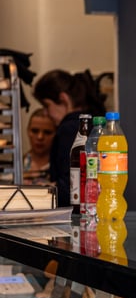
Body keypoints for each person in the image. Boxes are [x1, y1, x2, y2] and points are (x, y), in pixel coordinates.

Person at [33, 69, 105, 206]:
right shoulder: (91, 124)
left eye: (47, 106)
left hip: (75, 214)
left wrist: (44, 189)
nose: (46, 113)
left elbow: (70, 187)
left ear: (63, 99)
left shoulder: (69, 130)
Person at [22, 107, 56, 184]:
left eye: (47, 132)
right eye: (34, 131)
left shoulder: (61, 170)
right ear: (28, 131)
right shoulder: (17, 166)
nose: (40, 137)